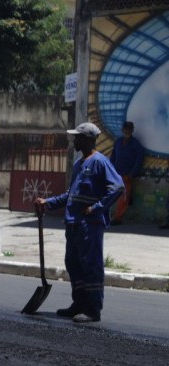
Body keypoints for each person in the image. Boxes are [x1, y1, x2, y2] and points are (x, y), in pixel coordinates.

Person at [35, 122, 123, 323]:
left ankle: (93, 309)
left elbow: (118, 187)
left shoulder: (100, 162)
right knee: (73, 263)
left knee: (91, 265)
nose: (75, 140)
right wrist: (47, 203)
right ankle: (79, 303)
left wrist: (97, 207)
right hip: (74, 223)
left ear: (89, 139)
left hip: (89, 224)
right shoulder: (78, 164)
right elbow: (70, 195)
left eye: (78, 137)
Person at [109, 121, 144, 225]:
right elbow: (113, 157)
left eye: (129, 129)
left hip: (127, 175)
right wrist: (111, 170)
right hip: (116, 174)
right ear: (122, 130)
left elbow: (139, 160)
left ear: (132, 130)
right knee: (112, 196)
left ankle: (118, 218)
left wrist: (132, 174)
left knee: (124, 198)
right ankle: (108, 216)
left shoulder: (136, 144)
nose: (127, 130)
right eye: (126, 129)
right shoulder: (118, 142)